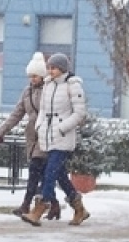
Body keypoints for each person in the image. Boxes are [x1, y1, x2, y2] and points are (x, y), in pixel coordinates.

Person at [22, 52, 90, 226]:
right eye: (49, 67)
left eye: (53, 68)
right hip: (47, 134)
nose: (50, 71)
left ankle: (40, 208)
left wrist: (63, 127)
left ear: (62, 68)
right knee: (59, 174)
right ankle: (79, 208)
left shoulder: (73, 85)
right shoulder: (48, 85)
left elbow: (80, 113)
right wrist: (39, 125)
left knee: (50, 171)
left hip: (62, 137)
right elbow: (43, 110)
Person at [0, 52, 58, 218]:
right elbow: (17, 113)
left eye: (35, 75)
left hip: (46, 135)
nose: (32, 79)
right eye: (30, 76)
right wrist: (2, 131)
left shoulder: (49, 90)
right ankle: (54, 204)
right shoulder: (27, 92)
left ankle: (26, 204)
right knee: (45, 174)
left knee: (35, 171)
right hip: (32, 136)